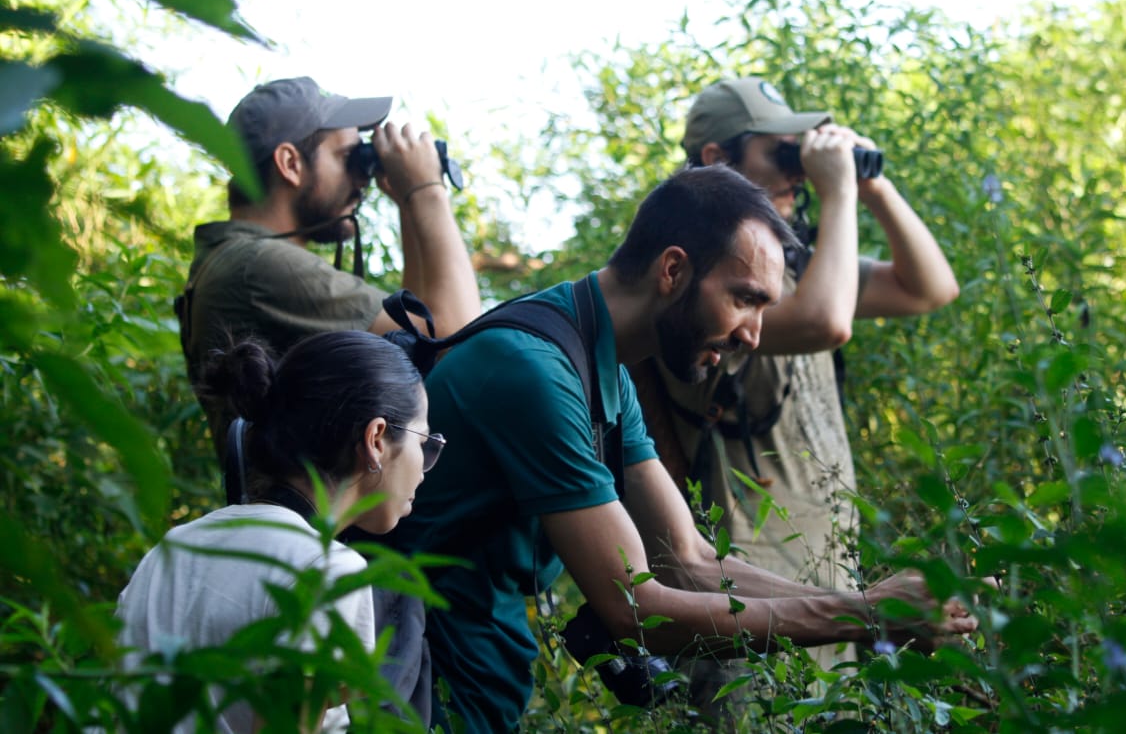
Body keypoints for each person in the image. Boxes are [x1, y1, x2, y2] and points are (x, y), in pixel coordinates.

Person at [383, 166, 976, 732]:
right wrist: (863, 616)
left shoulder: (601, 367)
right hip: (415, 687)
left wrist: (869, 606)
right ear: (672, 270)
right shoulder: (534, 371)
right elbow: (635, 610)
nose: (754, 334)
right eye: (745, 298)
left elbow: (686, 559)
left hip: (479, 684)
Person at [630, 76, 960, 719]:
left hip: (830, 585)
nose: (799, 171)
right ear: (716, 162)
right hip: (744, 594)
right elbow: (824, 322)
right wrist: (837, 192)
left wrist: (868, 181)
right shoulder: (703, 289)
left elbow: (930, 288)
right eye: (781, 154)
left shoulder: (801, 271)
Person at [116, 330, 441, 732]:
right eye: (424, 441)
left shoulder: (178, 543)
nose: (425, 466)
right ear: (375, 439)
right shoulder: (326, 571)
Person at [176, 76, 482, 459]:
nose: (361, 179)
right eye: (347, 158)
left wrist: (407, 202)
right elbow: (455, 343)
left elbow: (410, 349)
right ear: (290, 164)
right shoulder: (258, 267)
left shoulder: (237, 259)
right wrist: (427, 190)